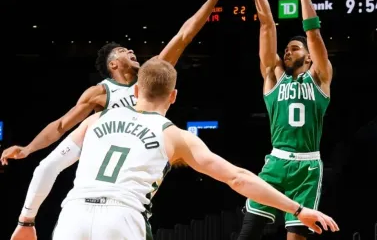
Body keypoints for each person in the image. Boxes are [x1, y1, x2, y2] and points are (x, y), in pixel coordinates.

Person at [10, 58, 339, 240]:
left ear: (136, 90)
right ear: (174, 96)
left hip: (73, 216)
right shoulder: (175, 136)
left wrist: (26, 222)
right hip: (122, 220)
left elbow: (46, 168)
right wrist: (298, 210)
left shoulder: (95, 121)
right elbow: (239, 179)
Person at [0, 0, 237, 165]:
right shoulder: (99, 93)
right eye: (123, 51)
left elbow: (184, 36)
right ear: (113, 64)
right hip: (109, 158)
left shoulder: (149, 74)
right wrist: (28, 148)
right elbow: (62, 125)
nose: (131, 50)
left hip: (145, 153)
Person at [234, 0, 334, 239]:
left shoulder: (320, 78)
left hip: (308, 166)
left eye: (294, 48)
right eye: (286, 49)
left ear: (310, 57)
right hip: (276, 162)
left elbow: (313, 34)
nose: (287, 52)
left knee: (296, 236)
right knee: (248, 232)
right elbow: (266, 25)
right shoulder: (274, 76)